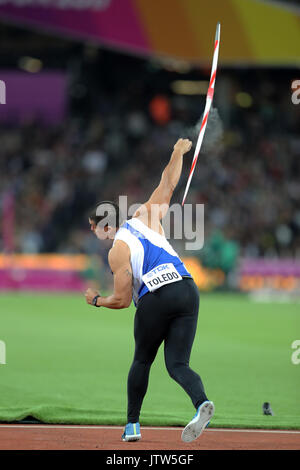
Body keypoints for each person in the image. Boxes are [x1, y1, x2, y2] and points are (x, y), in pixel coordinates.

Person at [85, 138, 214, 443]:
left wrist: (96, 300)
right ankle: (201, 403)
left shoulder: (117, 251)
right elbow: (168, 182)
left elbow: (121, 300)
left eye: (93, 227)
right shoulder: (145, 215)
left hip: (156, 297)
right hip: (187, 288)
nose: (93, 233)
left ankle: (132, 426)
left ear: (106, 226)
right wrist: (176, 153)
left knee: (142, 360)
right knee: (178, 364)